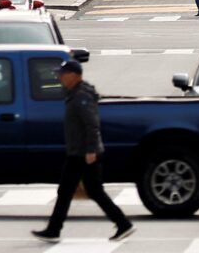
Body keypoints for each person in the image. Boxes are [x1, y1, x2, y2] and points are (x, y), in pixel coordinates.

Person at [32, 60, 133, 242]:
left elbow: (92, 124)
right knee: (77, 191)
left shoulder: (81, 96)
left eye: (63, 74)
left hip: (84, 154)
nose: (60, 77)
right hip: (79, 152)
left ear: (73, 75)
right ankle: (55, 229)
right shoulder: (75, 94)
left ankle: (122, 223)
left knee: (79, 191)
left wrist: (91, 150)